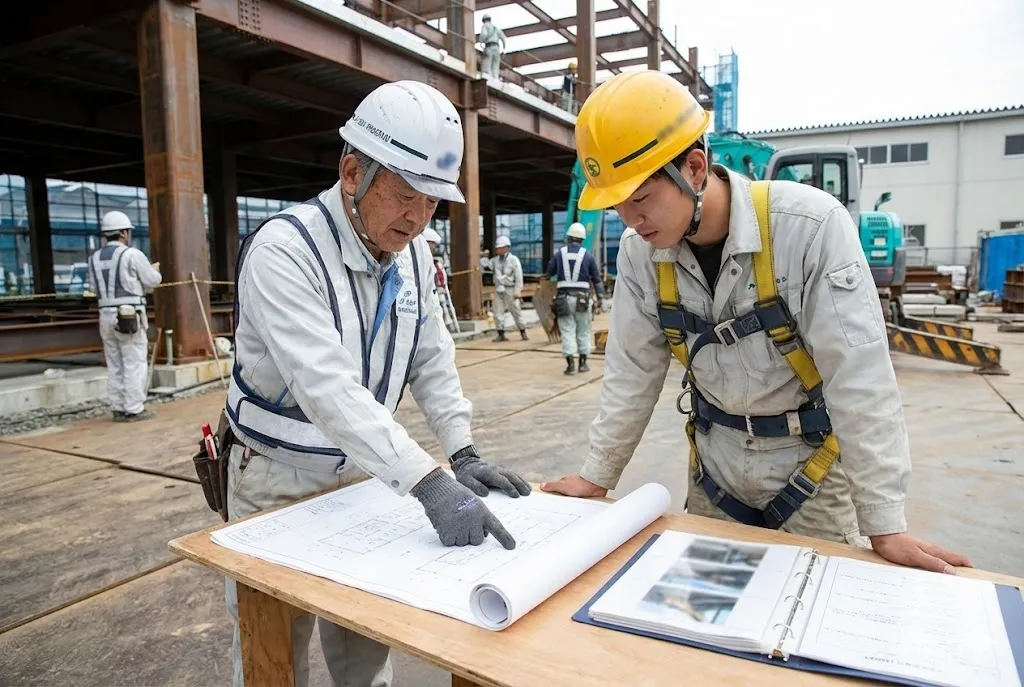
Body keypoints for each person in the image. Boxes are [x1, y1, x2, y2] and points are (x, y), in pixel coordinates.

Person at [541, 70, 972, 576]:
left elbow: (859, 376)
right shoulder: (641, 256)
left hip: (809, 472)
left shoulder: (808, 228)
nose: (630, 220)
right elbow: (631, 373)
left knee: (809, 621)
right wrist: (598, 476)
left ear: (695, 168)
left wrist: (884, 521)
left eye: (639, 198)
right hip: (715, 473)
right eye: (616, 205)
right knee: (707, 619)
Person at [224, 80, 531, 687]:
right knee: (273, 654)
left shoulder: (411, 249)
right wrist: (428, 484)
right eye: (404, 195)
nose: (417, 217)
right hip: (274, 479)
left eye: (433, 202)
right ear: (351, 172)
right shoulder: (285, 250)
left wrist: (461, 450)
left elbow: (431, 355)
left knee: (365, 651)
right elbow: (327, 387)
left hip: (362, 474)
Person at [87, 210, 162, 422]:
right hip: (128, 316)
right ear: (123, 233)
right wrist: (154, 269)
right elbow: (152, 280)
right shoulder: (132, 255)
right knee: (134, 360)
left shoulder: (94, 258)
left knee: (115, 361)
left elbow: (93, 287)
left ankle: (118, 407)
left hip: (105, 315)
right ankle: (134, 408)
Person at [546, 222, 603, 375]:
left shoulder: (559, 254)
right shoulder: (588, 256)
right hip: (583, 299)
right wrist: (600, 299)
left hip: (564, 299)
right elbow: (597, 280)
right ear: (582, 239)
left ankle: (571, 365)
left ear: (569, 237)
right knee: (584, 331)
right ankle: (583, 364)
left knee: (567, 331)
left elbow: (548, 273)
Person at [491, 235, 528, 342]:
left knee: (515, 311)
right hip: (499, 289)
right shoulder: (495, 261)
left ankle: (523, 331)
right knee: (498, 311)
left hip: (510, 289)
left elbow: (519, 277)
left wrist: (517, 291)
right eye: (497, 248)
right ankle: (501, 333)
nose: (498, 250)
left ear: (506, 248)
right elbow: (485, 264)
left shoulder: (513, 260)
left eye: (500, 248)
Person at [478, 14, 506, 79]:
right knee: (495, 65)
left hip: (489, 47)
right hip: (496, 48)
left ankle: (488, 78)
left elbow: (483, 35)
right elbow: (503, 38)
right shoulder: (496, 28)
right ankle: (495, 78)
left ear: (484, 20)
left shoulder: (485, 26)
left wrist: (481, 41)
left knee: (487, 64)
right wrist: (504, 49)